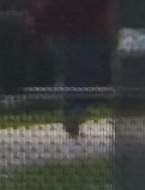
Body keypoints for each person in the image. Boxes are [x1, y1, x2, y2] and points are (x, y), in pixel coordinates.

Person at [31, 0, 111, 138]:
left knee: (67, 70)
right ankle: (74, 108)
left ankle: (70, 108)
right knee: (85, 72)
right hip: (84, 27)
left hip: (61, 25)